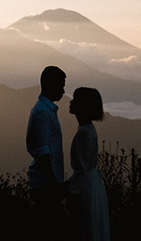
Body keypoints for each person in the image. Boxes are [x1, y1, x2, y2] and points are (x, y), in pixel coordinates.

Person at [26, 65, 67, 240]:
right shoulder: (43, 113)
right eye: (61, 85)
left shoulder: (45, 110)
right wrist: (55, 186)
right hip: (45, 186)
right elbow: (43, 153)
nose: (64, 91)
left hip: (45, 185)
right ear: (50, 85)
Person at [67, 87, 110, 241]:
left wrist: (70, 191)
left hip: (84, 187)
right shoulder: (88, 129)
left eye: (75, 100)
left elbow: (81, 170)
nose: (71, 102)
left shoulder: (84, 132)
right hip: (91, 185)